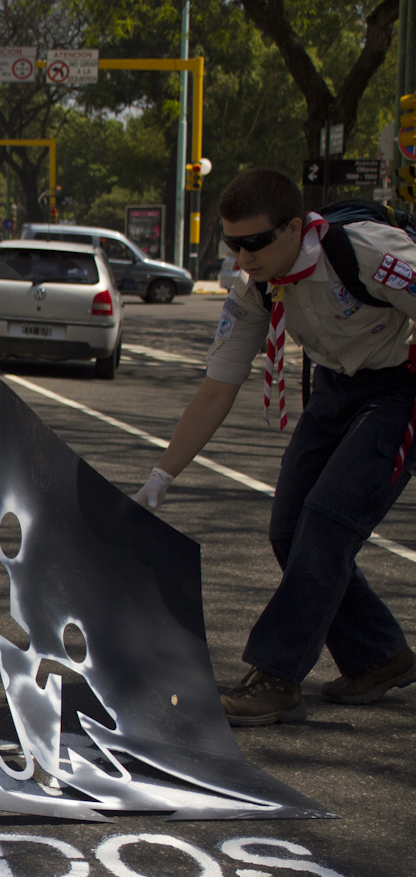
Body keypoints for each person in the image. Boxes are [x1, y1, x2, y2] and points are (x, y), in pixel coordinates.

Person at [133, 167, 416, 725]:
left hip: (398, 388)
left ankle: (277, 676)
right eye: (232, 243)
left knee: (327, 523)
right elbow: (217, 389)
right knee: (287, 530)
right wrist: (158, 480)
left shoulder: (366, 253)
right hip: (335, 387)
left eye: (256, 242)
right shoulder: (254, 285)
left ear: (294, 227)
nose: (243, 256)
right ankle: (378, 655)